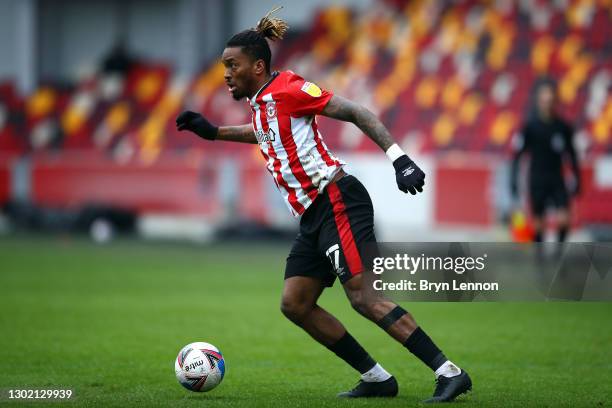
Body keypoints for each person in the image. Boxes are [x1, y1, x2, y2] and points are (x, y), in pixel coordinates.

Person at [176, 8, 471, 402]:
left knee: (364, 296)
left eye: (233, 65)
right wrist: (213, 132)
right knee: (295, 303)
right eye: (224, 66)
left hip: (337, 200)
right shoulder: (263, 102)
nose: (226, 73)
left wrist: (399, 158)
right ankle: (377, 378)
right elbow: (264, 132)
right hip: (313, 215)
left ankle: (448, 371)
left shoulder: (290, 89)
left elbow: (355, 111)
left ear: (258, 66)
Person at [511, 79, 580, 244]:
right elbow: (517, 155)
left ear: (555, 101)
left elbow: (572, 154)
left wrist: (577, 178)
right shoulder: (530, 127)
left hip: (557, 178)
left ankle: (557, 254)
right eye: (544, 100)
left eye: (550, 100)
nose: (547, 103)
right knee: (538, 224)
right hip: (537, 179)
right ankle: (540, 260)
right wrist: (513, 180)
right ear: (538, 101)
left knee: (564, 219)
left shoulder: (563, 127)